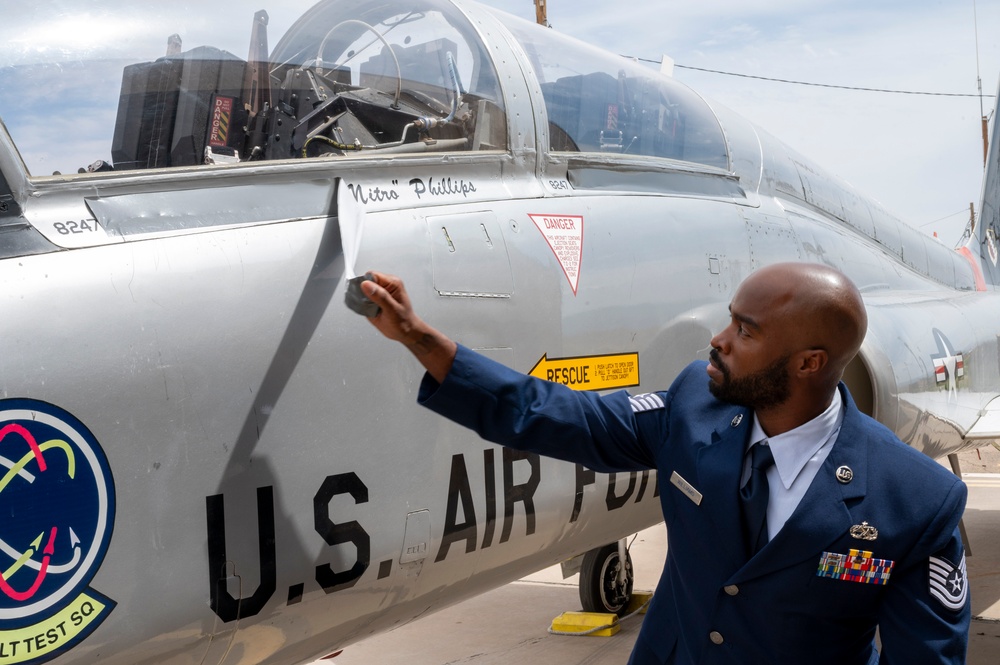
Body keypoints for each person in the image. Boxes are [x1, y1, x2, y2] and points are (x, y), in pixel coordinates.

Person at [357, 262, 970, 664]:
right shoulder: (693, 408)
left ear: (809, 363)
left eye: (746, 331)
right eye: (730, 319)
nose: (719, 340)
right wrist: (421, 339)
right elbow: (568, 416)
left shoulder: (913, 498)